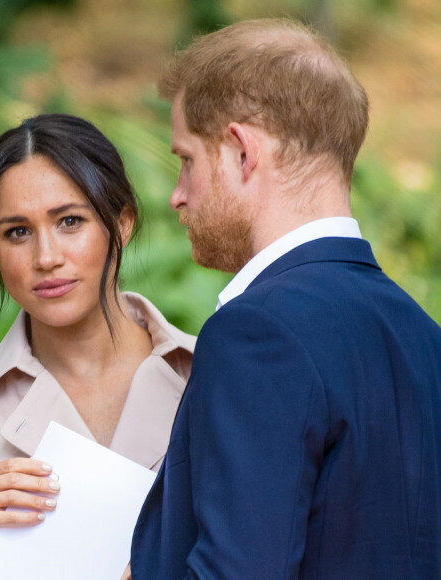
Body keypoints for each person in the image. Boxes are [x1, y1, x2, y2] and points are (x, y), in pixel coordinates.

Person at [131, 18, 441, 579]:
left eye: (187, 160)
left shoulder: (258, 330)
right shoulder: (423, 334)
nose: (178, 195)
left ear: (241, 152)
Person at [0, 113, 195, 580]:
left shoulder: (211, 375)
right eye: (17, 232)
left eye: (70, 221)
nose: (47, 257)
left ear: (122, 224)